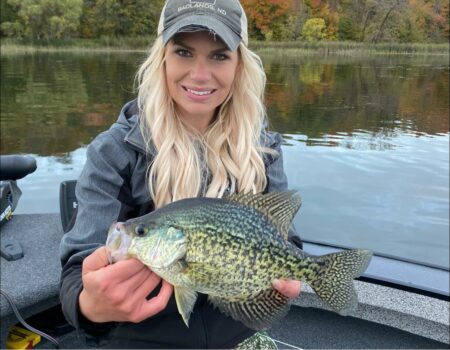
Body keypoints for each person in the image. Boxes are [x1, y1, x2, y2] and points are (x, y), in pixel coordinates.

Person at [59, 0, 303, 348]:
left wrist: (284, 278)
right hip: (140, 340)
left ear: (239, 66)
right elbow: (78, 267)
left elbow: (287, 242)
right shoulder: (114, 152)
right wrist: (89, 306)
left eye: (219, 56)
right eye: (184, 52)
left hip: (239, 335)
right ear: (162, 57)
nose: (200, 74)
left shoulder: (264, 149)